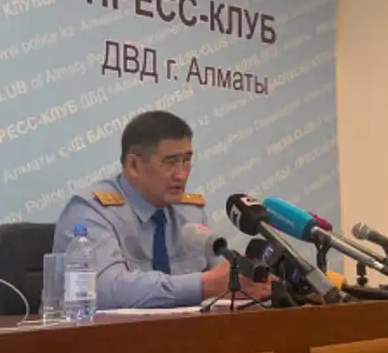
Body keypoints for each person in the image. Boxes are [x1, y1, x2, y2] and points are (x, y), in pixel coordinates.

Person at [52, 110, 272, 309]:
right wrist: (202, 285)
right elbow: (101, 290)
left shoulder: (190, 212)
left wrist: (246, 283)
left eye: (186, 161)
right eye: (170, 162)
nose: (182, 174)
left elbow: (221, 279)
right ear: (134, 165)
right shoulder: (91, 210)